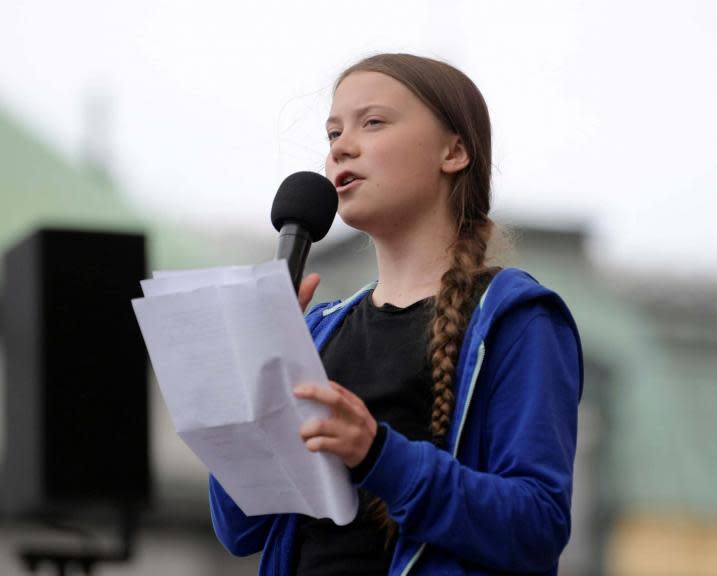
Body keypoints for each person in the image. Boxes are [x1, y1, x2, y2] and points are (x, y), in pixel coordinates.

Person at [208, 53, 583, 575]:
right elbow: (241, 529)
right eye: (333, 132)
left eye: (373, 122)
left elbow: (537, 527)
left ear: (453, 151)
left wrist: (380, 455)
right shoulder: (320, 330)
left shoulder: (516, 319)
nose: (342, 145)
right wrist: (255, 383)